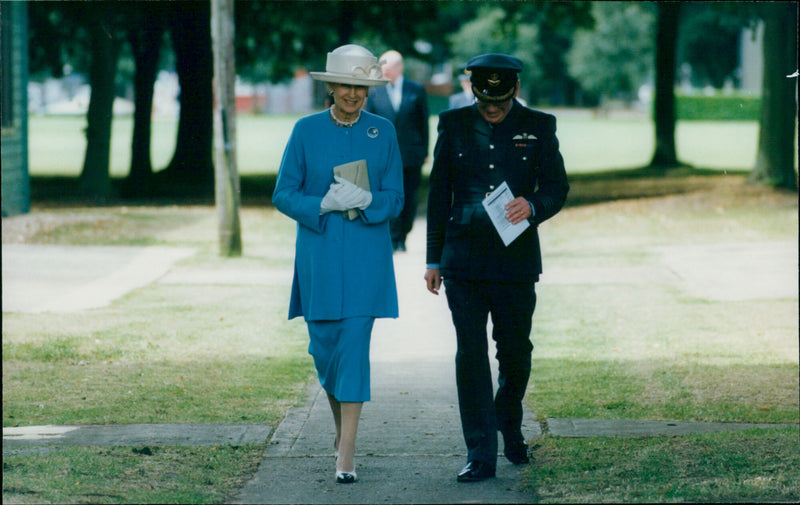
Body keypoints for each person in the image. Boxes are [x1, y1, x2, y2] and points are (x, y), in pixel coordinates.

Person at [424, 54, 569, 482]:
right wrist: (433, 259)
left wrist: (534, 205)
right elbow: (438, 195)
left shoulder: (540, 126)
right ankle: (480, 452)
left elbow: (557, 186)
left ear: (516, 91)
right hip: (463, 261)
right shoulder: (452, 124)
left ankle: (509, 423)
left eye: (500, 100)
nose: (492, 108)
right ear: (472, 90)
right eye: (485, 99)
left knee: (515, 353)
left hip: (515, 261)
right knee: (470, 355)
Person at [272, 44, 404, 484]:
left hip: (367, 258)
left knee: (353, 350)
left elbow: (397, 198)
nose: (353, 94)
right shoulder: (305, 130)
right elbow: (283, 193)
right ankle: (340, 435)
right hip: (320, 257)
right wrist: (321, 203)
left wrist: (369, 200)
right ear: (330, 86)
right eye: (346, 85)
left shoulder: (383, 131)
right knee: (325, 353)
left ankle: (345, 453)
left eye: (362, 87)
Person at [365, 50, 429, 252]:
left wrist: (425, 151)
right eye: (381, 66)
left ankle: (403, 235)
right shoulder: (374, 91)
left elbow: (423, 123)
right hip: (384, 157)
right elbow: (368, 125)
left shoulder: (416, 90)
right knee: (388, 195)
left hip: (411, 156)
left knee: (409, 197)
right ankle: (392, 237)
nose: (383, 70)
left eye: (387, 66)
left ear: (399, 68)